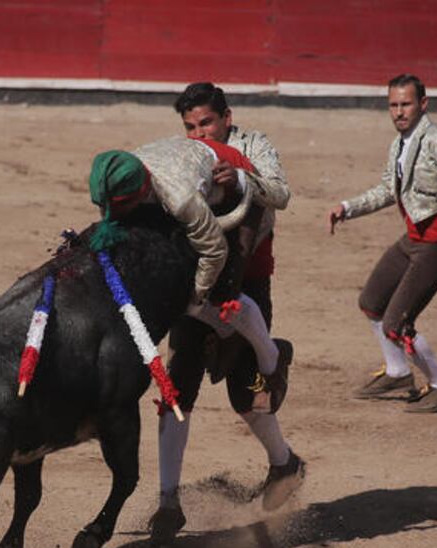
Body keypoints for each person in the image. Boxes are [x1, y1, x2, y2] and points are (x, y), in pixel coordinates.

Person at [148, 82, 305, 544]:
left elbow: (280, 193)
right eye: (190, 127)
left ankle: (284, 463)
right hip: (194, 282)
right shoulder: (182, 154)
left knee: (247, 395)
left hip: (245, 279)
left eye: (207, 124)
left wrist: (239, 178)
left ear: (227, 117)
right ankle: (168, 501)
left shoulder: (252, 146)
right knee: (176, 388)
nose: (199, 135)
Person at [328, 73, 437, 413]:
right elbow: (387, 192)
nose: (399, 112)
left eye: (405, 104)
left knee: (396, 323)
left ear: (423, 104)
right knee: (371, 301)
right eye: (393, 105)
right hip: (413, 238)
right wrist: (347, 208)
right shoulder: (400, 143)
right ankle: (397, 371)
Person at [88, 137, 292, 421]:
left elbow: (215, 250)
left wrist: (195, 296)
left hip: (241, 201)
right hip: (195, 190)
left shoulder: (179, 197)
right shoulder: (116, 175)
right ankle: (224, 331)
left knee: (212, 291)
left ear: (141, 192)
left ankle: (270, 356)